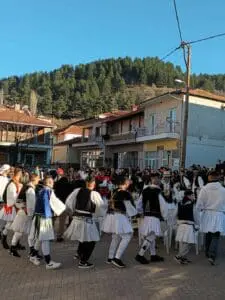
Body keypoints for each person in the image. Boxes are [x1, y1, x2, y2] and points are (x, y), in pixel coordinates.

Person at [64, 176, 104, 269]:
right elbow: (101, 208)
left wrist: (72, 212)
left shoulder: (77, 191)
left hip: (77, 218)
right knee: (92, 240)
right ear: (94, 184)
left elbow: (69, 203)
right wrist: (97, 216)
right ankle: (83, 261)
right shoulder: (94, 194)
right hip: (87, 219)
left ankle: (79, 254)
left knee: (83, 236)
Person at [29, 176, 66, 270]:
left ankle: (33, 256)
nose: (53, 183)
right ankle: (48, 262)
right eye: (52, 182)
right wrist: (64, 208)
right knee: (45, 239)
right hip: (43, 218)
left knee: (39, 238)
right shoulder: (48, 191)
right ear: (48, 182)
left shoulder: (42, 190)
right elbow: (52, 203)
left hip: (39, 217)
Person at [102, 176, 135, 268]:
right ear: (125, 183)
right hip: (119, 216)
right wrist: (135, 213)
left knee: (116, 237)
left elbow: (106, 202)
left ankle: (110, 257)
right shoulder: (125, 193)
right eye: (128, 180)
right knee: (127, 236)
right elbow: (130, 207)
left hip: (111, 215)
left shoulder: (114, 190)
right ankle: (117, 258)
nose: (129, 181)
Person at [135, 173, 168, 264]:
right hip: (155, 216)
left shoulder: (145, 190)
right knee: (151, 235)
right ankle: (140, 254)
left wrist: (141, 212)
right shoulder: (158, 192)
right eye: (157, 178)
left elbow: (139, 203)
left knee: (150, 235)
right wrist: (165, 216)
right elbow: (163, 206)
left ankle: (153, 255)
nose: (157, 180)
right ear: (157, 180)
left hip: (147, 216)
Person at [196, 170, 225, 265]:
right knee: (215, 235)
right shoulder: (223, 189)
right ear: (218, 177)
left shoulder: (204, 189)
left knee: (208, 233)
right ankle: (212, 255)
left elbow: (199, 203)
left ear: (209, 177)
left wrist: (199, 209)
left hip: (207, 213)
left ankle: (208, 253)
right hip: (218, 214)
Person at [0, 168, 23, 250]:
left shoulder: (16, 183)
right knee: (10, 224)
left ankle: (16, 243)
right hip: (12, 207)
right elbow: (13, 197)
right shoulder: (12, 184)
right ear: (18, 174)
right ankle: (4, 239)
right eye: (20, 174)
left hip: (14, 206)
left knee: (17, 225)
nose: (20, 176)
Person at [174, 190, 198, 264]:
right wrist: (197, 225)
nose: (193, 196)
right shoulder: (192, 205)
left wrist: (176, 222)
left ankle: (183, 258)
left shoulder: (179, 203)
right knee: (189, 243)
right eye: (192, 195)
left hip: (181, 225)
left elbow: (174, 214)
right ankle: (179, 256)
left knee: (182, 242)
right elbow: (196, 216)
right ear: (189, 196)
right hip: (189, 225)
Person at [54, 168, 72, 242]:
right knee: (62, 222)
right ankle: (59, 236)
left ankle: (49, 234)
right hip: (64, 205)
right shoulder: (69, 185)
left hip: (56, 204)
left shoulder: (57, 183)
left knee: (52, 220)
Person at [0, 164, 11, 238]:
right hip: (1, 199)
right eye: (9, 169)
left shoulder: (6, 178)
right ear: (6, 170)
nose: (10, 171)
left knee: (2, 216)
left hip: (3, 199)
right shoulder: (1, 178)